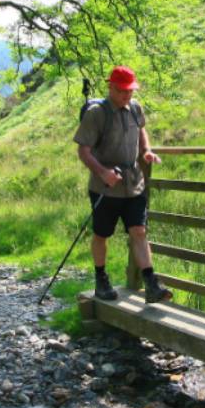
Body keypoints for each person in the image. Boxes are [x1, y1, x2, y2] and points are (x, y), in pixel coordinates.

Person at [72, 66, 170, 303]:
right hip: (104, 187)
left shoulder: (136, 108)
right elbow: (83, 151)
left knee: (139, 230)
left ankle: (151, 283)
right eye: (123, 91)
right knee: (102, 234)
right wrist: (103, 173)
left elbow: (141, 131)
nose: (128, 95)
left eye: (131, 90)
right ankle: (101, 280)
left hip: (133, 182)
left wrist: (146, 151)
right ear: (111, 87)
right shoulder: (96, 113)